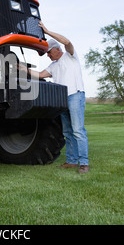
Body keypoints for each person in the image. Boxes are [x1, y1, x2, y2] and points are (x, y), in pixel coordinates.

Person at [22, 21, 90, 174]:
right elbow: (39, 75)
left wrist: (47, 31)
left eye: (49, 52)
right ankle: (72, 161)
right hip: (63, 100)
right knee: (68, 132)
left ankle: (84, 163)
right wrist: (24, 69)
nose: (47, 55)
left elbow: (67, 42)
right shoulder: (53, 66)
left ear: (56, 49)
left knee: (78, 130)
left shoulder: (70, 56)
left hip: (75, 96)